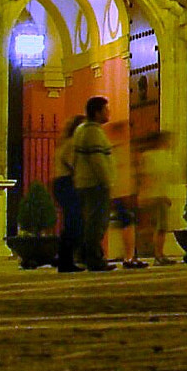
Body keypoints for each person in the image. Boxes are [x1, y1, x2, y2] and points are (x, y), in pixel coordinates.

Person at [69, 97, 117, 272]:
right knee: (98, 222)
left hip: (83, 181)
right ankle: (94, 258)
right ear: (97, 112)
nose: (108, 112)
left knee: (89, 221)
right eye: (106, 109)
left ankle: (84, 255)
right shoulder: (93, 132)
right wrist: (106, 181)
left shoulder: (81, 130)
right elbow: (98, 160)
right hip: (95, 183)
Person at [134, 130, 177, 265]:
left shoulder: (149, 156)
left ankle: (157, 253)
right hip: (157, 195)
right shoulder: (157, 156)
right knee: (160, 226)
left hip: (156, 195)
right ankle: (158, 254)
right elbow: (147, 177)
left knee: (157, 226)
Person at [53, 115, 85, 274]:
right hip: (67, 182)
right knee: (74, 223)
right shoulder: (72, 144)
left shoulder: (64, 143)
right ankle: (66, 260)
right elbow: (74, 164)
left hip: (61, 182)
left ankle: (66, 259)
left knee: (71, 222)